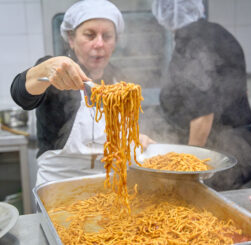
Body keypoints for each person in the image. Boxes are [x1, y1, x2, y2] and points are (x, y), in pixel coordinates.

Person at [11, 0, 154, 186]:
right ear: (71, 39)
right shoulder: (57, 70)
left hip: (112, 187)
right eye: (90, 35)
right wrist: (44, 70)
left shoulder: (121, 80)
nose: (99, 44)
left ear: (115, 41)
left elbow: (121, 131)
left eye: (107, 36)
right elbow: (20, 94)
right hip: (60, 187)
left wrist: (135, 138)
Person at [141, 0, 251, 191]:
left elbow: (202, 116)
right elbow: (240, 91)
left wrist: (186, 174)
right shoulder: (217, 33)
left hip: (219, 158)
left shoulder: (191, 43)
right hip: (242, 148)